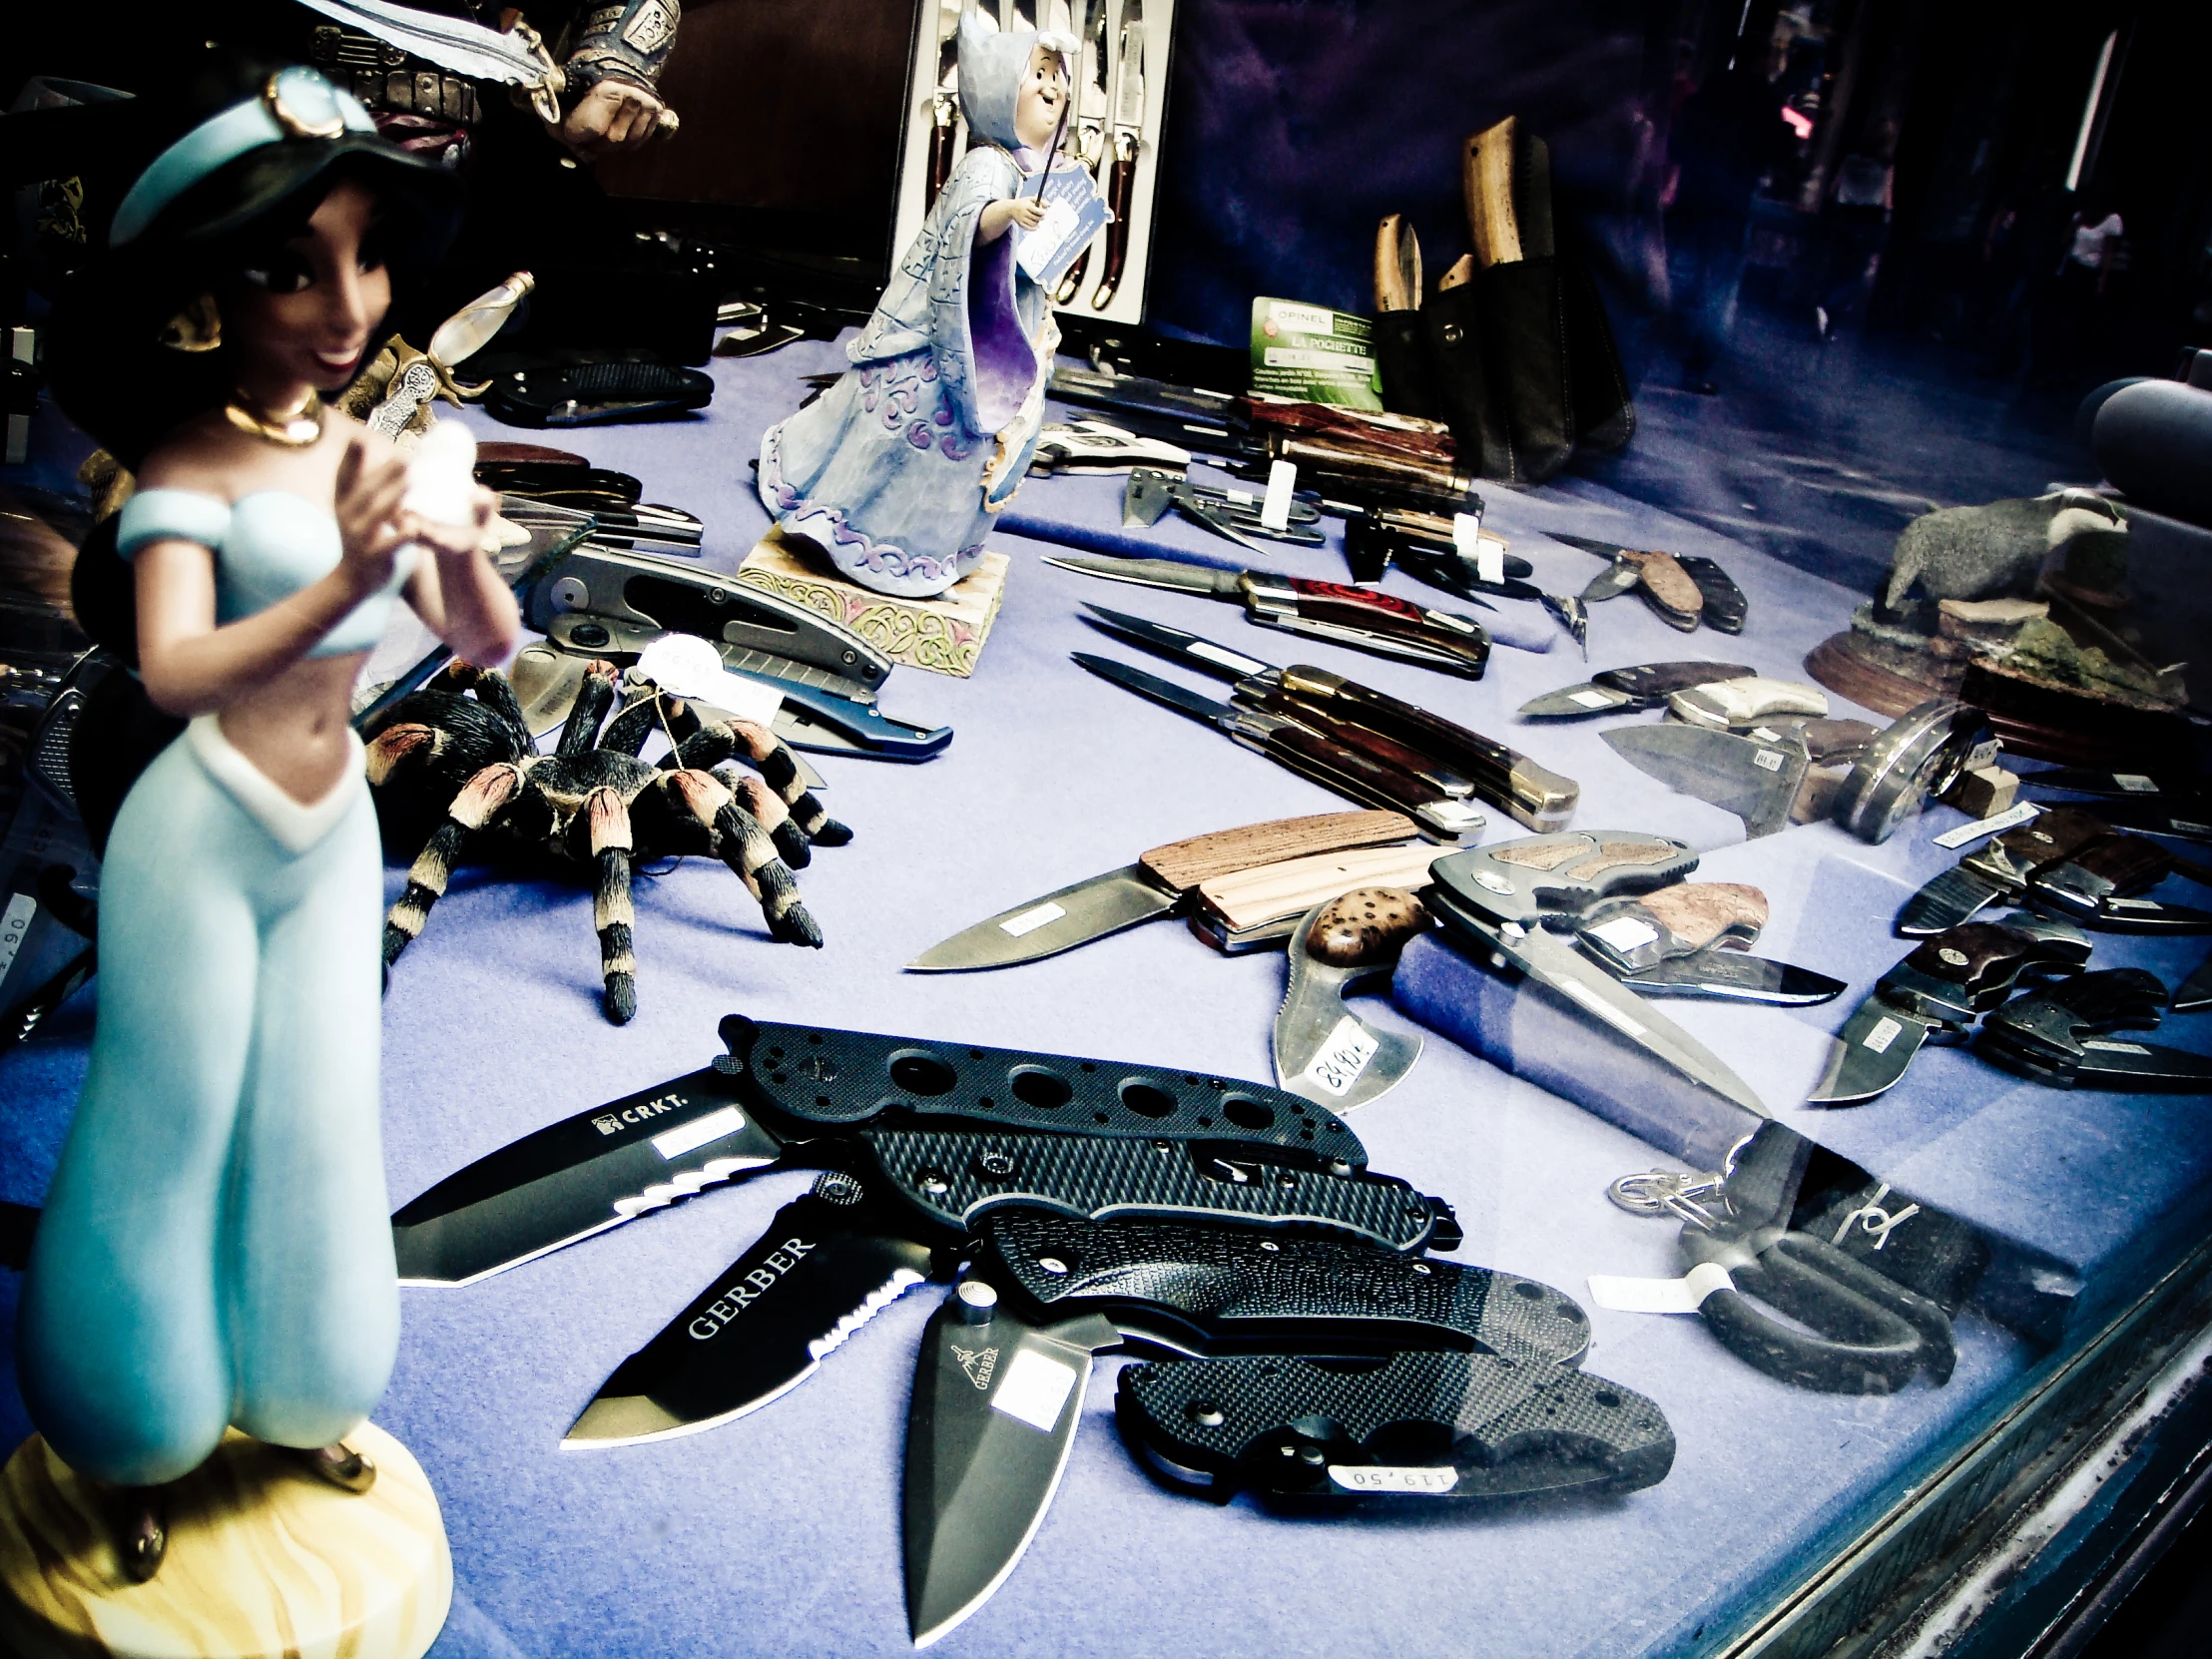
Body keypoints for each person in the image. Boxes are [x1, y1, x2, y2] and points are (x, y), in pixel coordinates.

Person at [17, 53, 519, 1582]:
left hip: (328, 837)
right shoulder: (182, 475)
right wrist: (349, 577)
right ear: (200, 293)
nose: (349, 301)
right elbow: (173, 669)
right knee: (160, 1125)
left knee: (318, 1112)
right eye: (293, 269)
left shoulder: (371, 456)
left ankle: (302, 1384)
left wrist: (468, 539)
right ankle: (127, 1425)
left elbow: (485, 639)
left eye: (365, 257)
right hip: (201, 831)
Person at [755, 15, 1073, 597]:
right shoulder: (986, 164)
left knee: (961, 450)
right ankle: (853, 535)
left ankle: (924, 550)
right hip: (938, 339)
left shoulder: (1024, 168)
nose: (1054, 94)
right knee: (908, 432)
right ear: (1003, 93)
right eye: (1040, 80)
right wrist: (1007, 216)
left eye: (1058, 84)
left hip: (990, 330)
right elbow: (966, 223)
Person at [1664, 34, 1794, 393]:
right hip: (1732, 203)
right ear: (1764, 59)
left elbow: (1679, 142)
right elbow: (1780, 153)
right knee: (1718, 289)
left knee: (1675, 272)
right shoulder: (1767, 101)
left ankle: (1641, 345)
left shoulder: (1708, 92)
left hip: (1694, 194)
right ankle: (1695, 369)